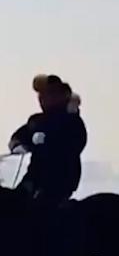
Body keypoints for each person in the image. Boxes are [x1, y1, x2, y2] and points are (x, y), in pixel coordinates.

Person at [8, 74, 87, 210]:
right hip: (33, 178)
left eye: (48, 94)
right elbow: (21, 134)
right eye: (41, 95)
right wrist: (18, 145)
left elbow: (74, 145)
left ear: (61, 96)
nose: (42, 99)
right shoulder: (36, 120)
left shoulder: (71, 121)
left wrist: (45, 143)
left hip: (60, 180)